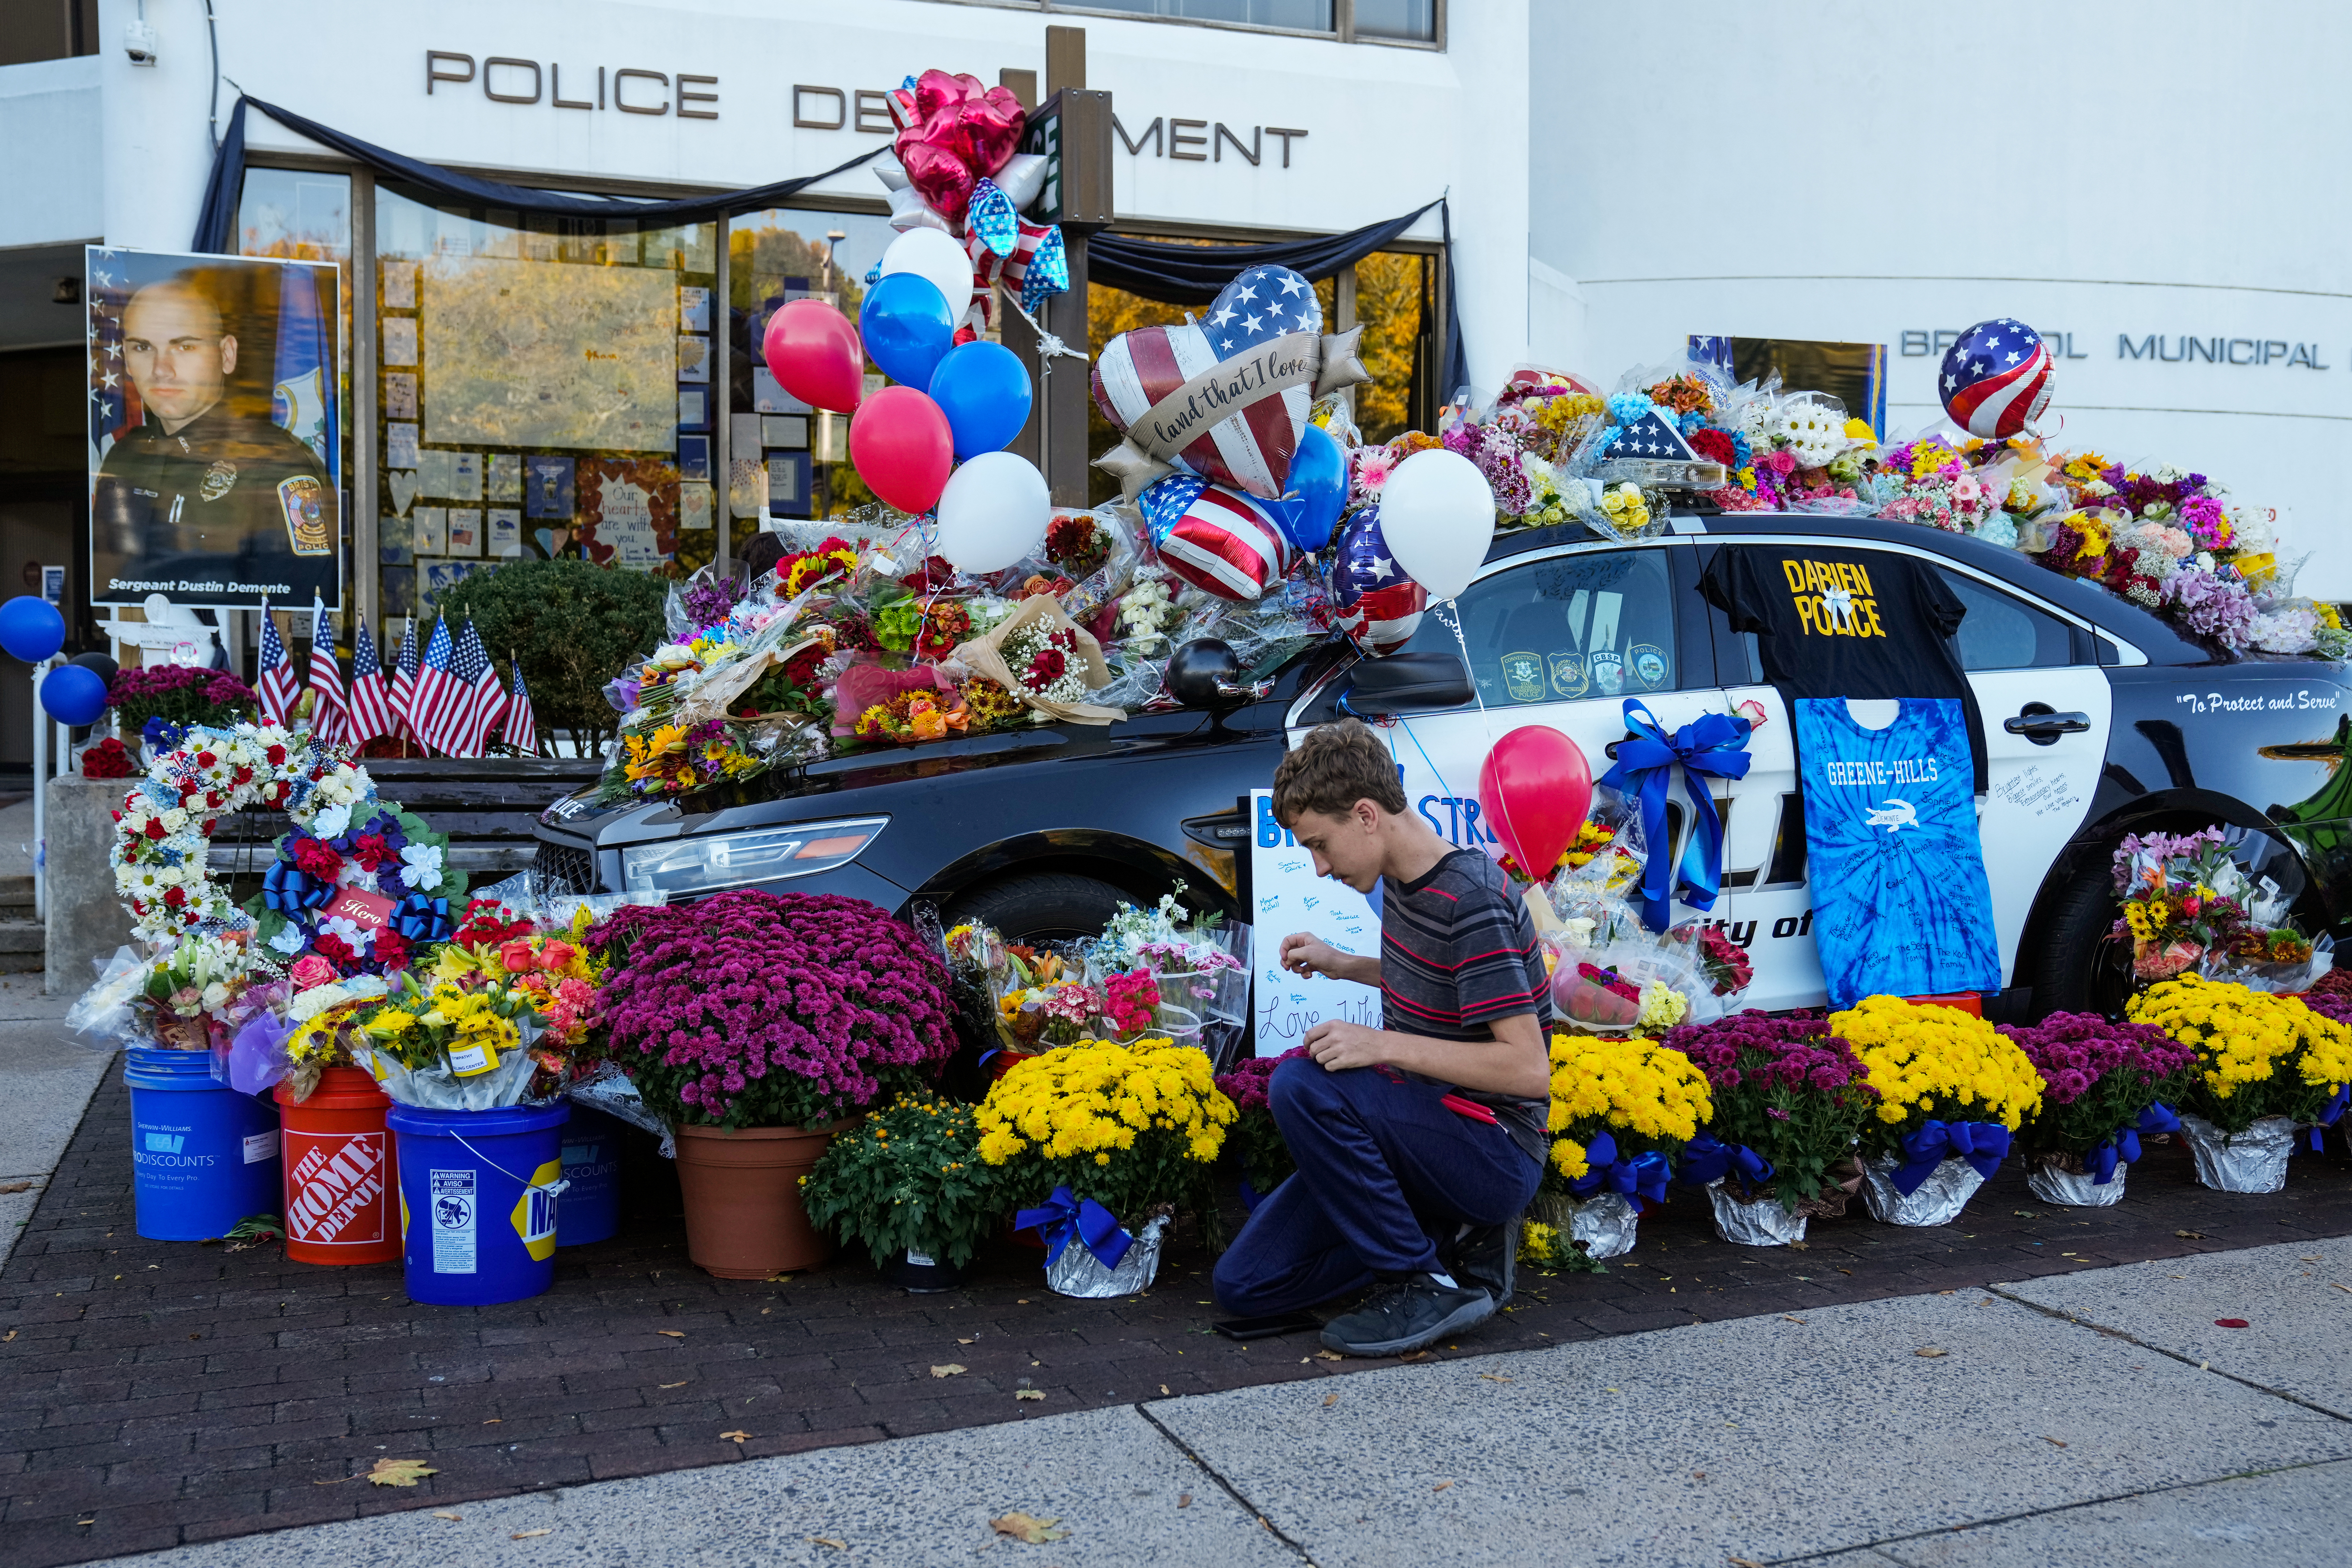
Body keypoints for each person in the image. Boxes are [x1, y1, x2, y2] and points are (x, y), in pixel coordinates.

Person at [1214, 719, 1552, 1357]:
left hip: (1493, 1150)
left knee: (1301, 1082)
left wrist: (1382, 1045)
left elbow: (1529, 1070)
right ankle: (1436, 1242)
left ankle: (1421, 1280)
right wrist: (1345, 963)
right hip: (1419, 1136)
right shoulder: (1402, 876)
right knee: (1244, 1285)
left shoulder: (1471, 898)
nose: (1318, 867)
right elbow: (1442, 979)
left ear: (1366, 815)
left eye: (1320, 844)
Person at [92, 272, 338, 606]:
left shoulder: (276, 462)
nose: (161, 369)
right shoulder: (125, 457)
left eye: (185, 346)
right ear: (127, 359)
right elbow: (110, 582)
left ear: (227, 355)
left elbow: (299, 599)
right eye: (143, 347)